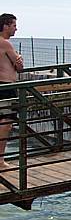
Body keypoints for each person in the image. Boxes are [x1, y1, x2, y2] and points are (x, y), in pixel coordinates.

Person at [0, 14, 24, 170]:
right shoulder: (6, 44)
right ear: (6, 26)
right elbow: (20, 67)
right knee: (6, 124)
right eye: (14, 25)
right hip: (6, 87)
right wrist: (19, 58)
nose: (16, 28)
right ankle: (0, 161)